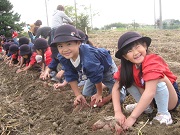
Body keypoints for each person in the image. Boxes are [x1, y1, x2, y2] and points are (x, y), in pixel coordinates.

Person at [112, 32, 180, 132]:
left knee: (160, 80)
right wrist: (117, 112)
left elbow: (150, 92)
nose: (135, 53)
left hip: (169, 100)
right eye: (130, 51)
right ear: (125, 57)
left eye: (137, 47)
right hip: (152, 98)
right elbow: (115, 89)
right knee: (127, 80)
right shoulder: (126, 68)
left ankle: (164, 114)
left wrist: (133, 117)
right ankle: (146, 107)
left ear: (145, 46)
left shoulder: (152, 61)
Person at [50, 24, 126, 108]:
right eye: (60, 46)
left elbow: (96, 76)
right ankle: (105, 86)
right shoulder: (63, 57)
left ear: (78, 43)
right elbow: (70, 75)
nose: (65, 49)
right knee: (86, 93)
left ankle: (122, 87)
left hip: (106, 68)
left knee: (120, 98)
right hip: (92, 71)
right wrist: (78, 95)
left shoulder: (89, 59)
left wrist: (99, 94)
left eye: (69, 44)